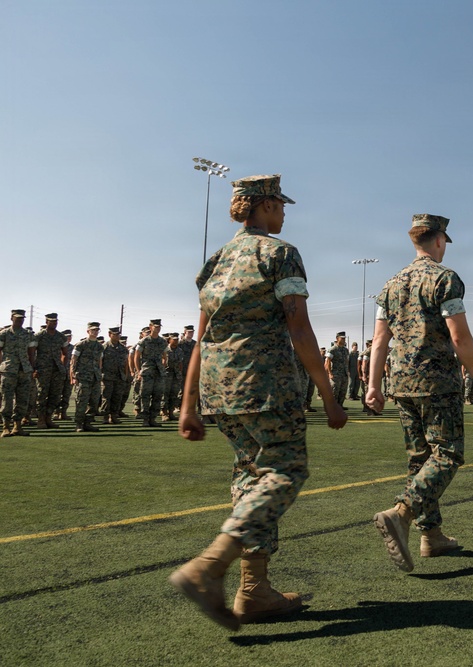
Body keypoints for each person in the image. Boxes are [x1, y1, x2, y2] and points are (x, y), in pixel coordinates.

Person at [170, 174, 347, 631]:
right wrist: (328, 396)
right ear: (264, 205)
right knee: (286, 471)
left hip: (218, 389)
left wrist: (188, 404)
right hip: (265, 384)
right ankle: (211, 564)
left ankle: (255, 590)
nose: (285, 213)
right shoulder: (279, 253)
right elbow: (300, 328)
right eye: (281, 205)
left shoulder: (215, 260)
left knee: (252, 477)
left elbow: (201, 337)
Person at [368, 213, 473, 573]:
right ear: (439, 241)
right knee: (448, 453)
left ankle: (431, 535)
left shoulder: (389, 285)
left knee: (420, 459)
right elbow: (459, 337)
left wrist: (374, 386)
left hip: (401, 382)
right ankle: (402, 512)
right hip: (437, 382)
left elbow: (378, 341)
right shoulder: (445, 279)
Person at [0, 309, 37, 437]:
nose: (20, 320)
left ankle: (17, 426)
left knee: (22, 399)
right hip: (9, 370)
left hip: (24, 370)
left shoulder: (28, 334)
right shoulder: (4, 334)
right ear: (12, 318)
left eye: (22, 318)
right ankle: (6, 427)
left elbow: (31, 353)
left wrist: (32, 368)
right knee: (7, 399)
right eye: (17, 318)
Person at [33, 314, 68, 429]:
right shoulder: (39, 336)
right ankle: (41, 419)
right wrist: (34, 368)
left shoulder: (61, 337)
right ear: (46, 321)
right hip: (43, 369)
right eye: (51, 321)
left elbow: (65, 353)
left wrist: (62, 366)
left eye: (55, 321)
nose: (54, 323)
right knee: (42, 394)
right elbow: (32, 353)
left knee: (55, 395)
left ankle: (49, 418)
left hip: (57, 370)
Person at [71, 323, 104, 432]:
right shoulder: (81, 345)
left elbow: (100, 361)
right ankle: (79, 424)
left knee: (94, 402)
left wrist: (99, 373)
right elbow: (74, 360)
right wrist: (73, 374)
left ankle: (88, 422)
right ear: (88, 331)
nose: (95, 332)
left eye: (97, 330)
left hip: (95, 377)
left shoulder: (99, 346)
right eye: (93, 330)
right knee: (82, 401)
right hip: (83, 376)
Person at [135, 319, 168, 427]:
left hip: (159, 372)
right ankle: (145, 419)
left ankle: (153, 418)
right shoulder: (144, 341)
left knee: (157, 395)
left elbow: (165, 355)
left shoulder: (162, 341)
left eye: (159, 327)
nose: (157, 329)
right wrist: (139, 371)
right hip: (147, 371)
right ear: (150, 327)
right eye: (155, 326)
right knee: (145, 395)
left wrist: (163, 364)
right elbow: (136, 356)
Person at [325, 331, 351, 409]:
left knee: (343, 391)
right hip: (335, 374)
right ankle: (333, 407)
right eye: (342, 338)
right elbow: (328, 362)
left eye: (344, 338)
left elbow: (346, 361)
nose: (343, 340)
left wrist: (348, 371)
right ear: (337, 338)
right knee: (334, 391)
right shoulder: (332, 349)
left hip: (344, 374)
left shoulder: (345, 350)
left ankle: (340, 405)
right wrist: (329, 373)